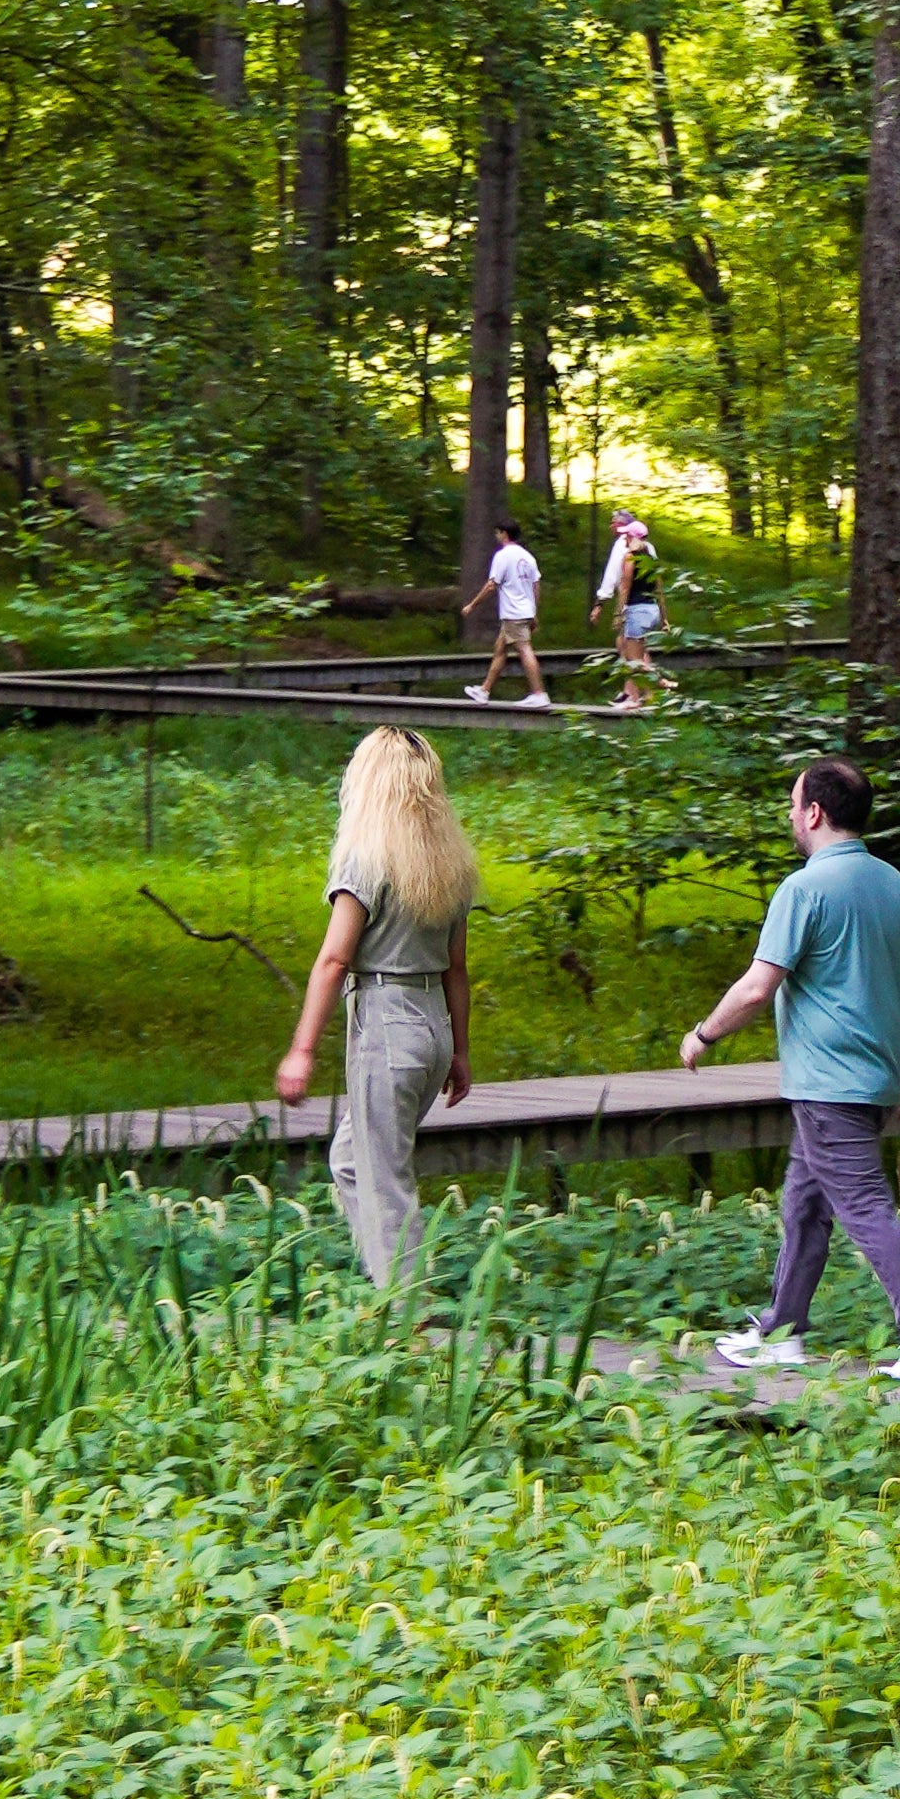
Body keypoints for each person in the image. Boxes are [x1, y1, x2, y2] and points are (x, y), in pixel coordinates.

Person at [681, 756, 900, 1383]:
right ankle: (782, 1333)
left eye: (792, 804)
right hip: (874, 1080)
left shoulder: (805, 888)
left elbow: (759, 988)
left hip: (827, 1082)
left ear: (814, 812)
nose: (790, 815)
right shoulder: (897, 886)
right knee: (805, 1204)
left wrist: (704, 1033)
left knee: (862, 1204)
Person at [271, 728, 480, 1291]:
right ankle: (384, 1282)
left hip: (386, 1025)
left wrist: (302, 1051)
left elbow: (333, 960)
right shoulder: (451, 866)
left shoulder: (365, 863)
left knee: (385, 1178)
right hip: (432, 1025)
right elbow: (457, 969)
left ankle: (406, 1317)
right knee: (350, 1161)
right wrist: (459, 1052)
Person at [593, 514, 673, 715]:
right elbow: (659, 590)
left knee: (632, 659)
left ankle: (646, 692)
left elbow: (625, 587)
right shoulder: (651, 559)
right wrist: (664, 618)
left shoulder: (630, 556)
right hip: (652, 610)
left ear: (635, 537)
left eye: (627, 535)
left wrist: (618, 614)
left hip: (637, 610)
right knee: (636, 655)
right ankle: (646, 695)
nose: (625, 539)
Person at [467, 524, 549, 707]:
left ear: (504, 534)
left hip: (513, 612)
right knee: (500, 649)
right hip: (523, 611)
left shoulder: (502, 556)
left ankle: (539, 693)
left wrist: (472, 605)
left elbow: (491, 584)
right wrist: (533, 612)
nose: (497, 535)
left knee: (524, 649)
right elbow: (536, 586)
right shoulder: (528, 557)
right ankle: (484, 691)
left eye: (498, 532)